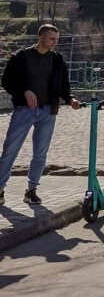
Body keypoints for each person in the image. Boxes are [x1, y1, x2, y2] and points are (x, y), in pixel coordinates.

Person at [0, 24, 82, 205]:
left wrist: (71, 99)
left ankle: (31, 190)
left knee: (40, 154)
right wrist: (24, 91)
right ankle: (0, 189)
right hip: (24, 110)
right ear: (41, 37)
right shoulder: (21, 57)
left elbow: (64, 86)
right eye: (52, 39)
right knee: (10, 150)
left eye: (57, 39)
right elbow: (6, 81)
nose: (55, 42)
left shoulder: (58, 59)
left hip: (47, 111)